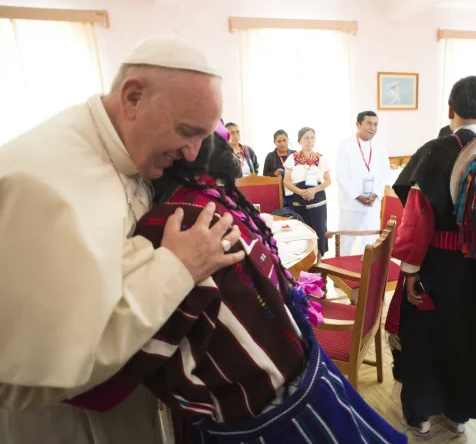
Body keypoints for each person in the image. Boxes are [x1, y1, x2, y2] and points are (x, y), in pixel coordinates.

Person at [0, 36, 246, 444]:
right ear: (133, 96)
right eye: (186, 131)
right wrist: (175, 268)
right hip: (54, 426)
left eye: (203, 136)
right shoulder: (38, 188)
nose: (192, 152)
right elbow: (23, 383)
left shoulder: (121, 150)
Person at [67, 133, 407, 444]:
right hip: (306, 379)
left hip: (262, 415)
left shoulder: (177, 223)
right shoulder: (221, 204)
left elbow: (118, 367)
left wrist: (64, 379)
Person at [386, 75, 476, 437]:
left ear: (450, 110)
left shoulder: (435, 151)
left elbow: (417, 219)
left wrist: (409, 271)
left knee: (424, 337)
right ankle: (459, 412)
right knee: (472, 337)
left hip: (437, 266)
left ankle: (421, 413)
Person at [335, 111, 391, 256]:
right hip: (351, 204)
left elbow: (385, 173)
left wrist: (376, 193)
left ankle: (366, 274)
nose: (373, 128)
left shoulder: (379, 146)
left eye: (375, 124)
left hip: (372, 204)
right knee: (346, 241)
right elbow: (341, 175)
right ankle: (341, 272)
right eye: (369, 123)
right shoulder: (345, 145)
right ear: (358, 125)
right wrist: (357, 195)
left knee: (370, 241)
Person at [283, 127, 331, 256]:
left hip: (318, 198)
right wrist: (300, 192)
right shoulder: (292, 158)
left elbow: (327, 181)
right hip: (299, 197)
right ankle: (305, 262)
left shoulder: (320, 158)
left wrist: (313, 190)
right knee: (303, 231)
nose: (309, 141)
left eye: (311, 138)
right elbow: (286, 181)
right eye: (306, 138)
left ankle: (320, 261)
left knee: (319, 230)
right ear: (299, 141)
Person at [263, 129, 295, 206]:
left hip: (293, 191)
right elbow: (264, 174)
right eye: (279, 141)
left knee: (295, 215)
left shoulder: (295, 154)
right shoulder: (270, 156)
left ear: (288, 140)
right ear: (274, 142)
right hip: (277, 192)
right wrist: (274, 173)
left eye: (284, 140)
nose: (282, 143)